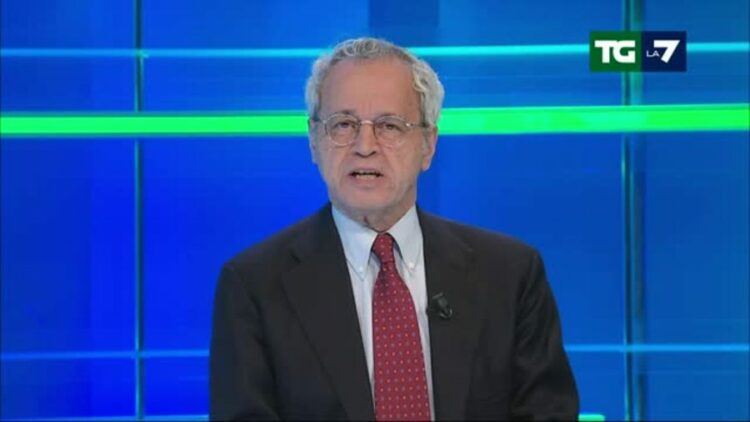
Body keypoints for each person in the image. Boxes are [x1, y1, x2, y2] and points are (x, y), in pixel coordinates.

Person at [210, 37, 579, 421]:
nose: (365, 146)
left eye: (389, 126)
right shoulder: (253, 286)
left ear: (428, 145)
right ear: (314, 141)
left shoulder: (510, 275)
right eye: (343, 125)